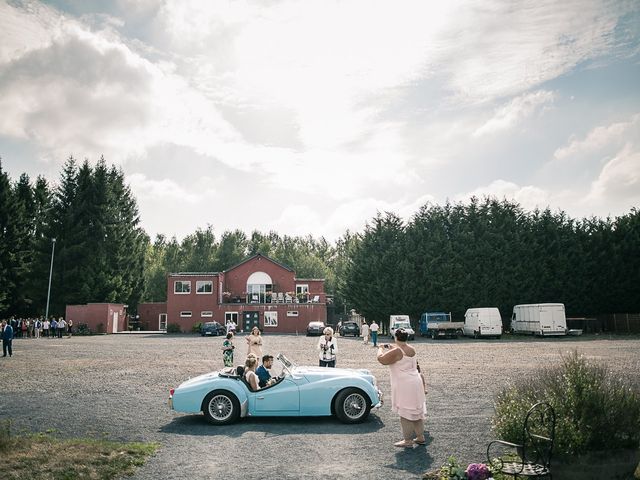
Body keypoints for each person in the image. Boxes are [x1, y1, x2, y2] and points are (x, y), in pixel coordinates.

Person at [377, 328, 426, 447]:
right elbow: (400, 351)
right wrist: (391, 347)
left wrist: (380, 348)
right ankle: (420, 437)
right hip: (416, 381)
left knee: (405, 413)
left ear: (395, 337)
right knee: (416, 411)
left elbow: (381, 359)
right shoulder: (411, 348)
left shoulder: (398, 351)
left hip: (405, 384)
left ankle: (407, 440)